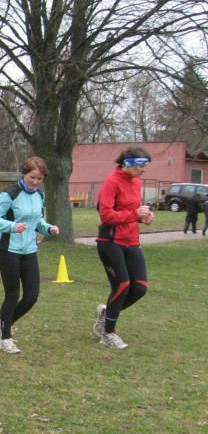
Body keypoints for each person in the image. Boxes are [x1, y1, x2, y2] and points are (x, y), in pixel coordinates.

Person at [0, 156, 59, 354]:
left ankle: (4, 322)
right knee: (12, 295)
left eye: (39, 179)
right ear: (24, 174)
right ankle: (5, 339)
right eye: (32, 177)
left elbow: (37, 221)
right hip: (8, 250)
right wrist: (12, 226)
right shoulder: (10, 194)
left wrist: (48, 228)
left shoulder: (39, 195)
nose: (35, 182)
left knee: (31, 297)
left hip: (29, 250)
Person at [92, 147, 154, 349]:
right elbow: (106, 215)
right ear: (128, 164)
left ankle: (106, 313)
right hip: (110, 242)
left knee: (140, 288)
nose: (144, 169)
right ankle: (108, 333)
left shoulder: (136, 182)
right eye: (141, 165)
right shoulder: (111, 182)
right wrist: (135, 215)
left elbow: (133, 211)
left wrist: (144, 217)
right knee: (122, 285)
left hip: (131, 241)